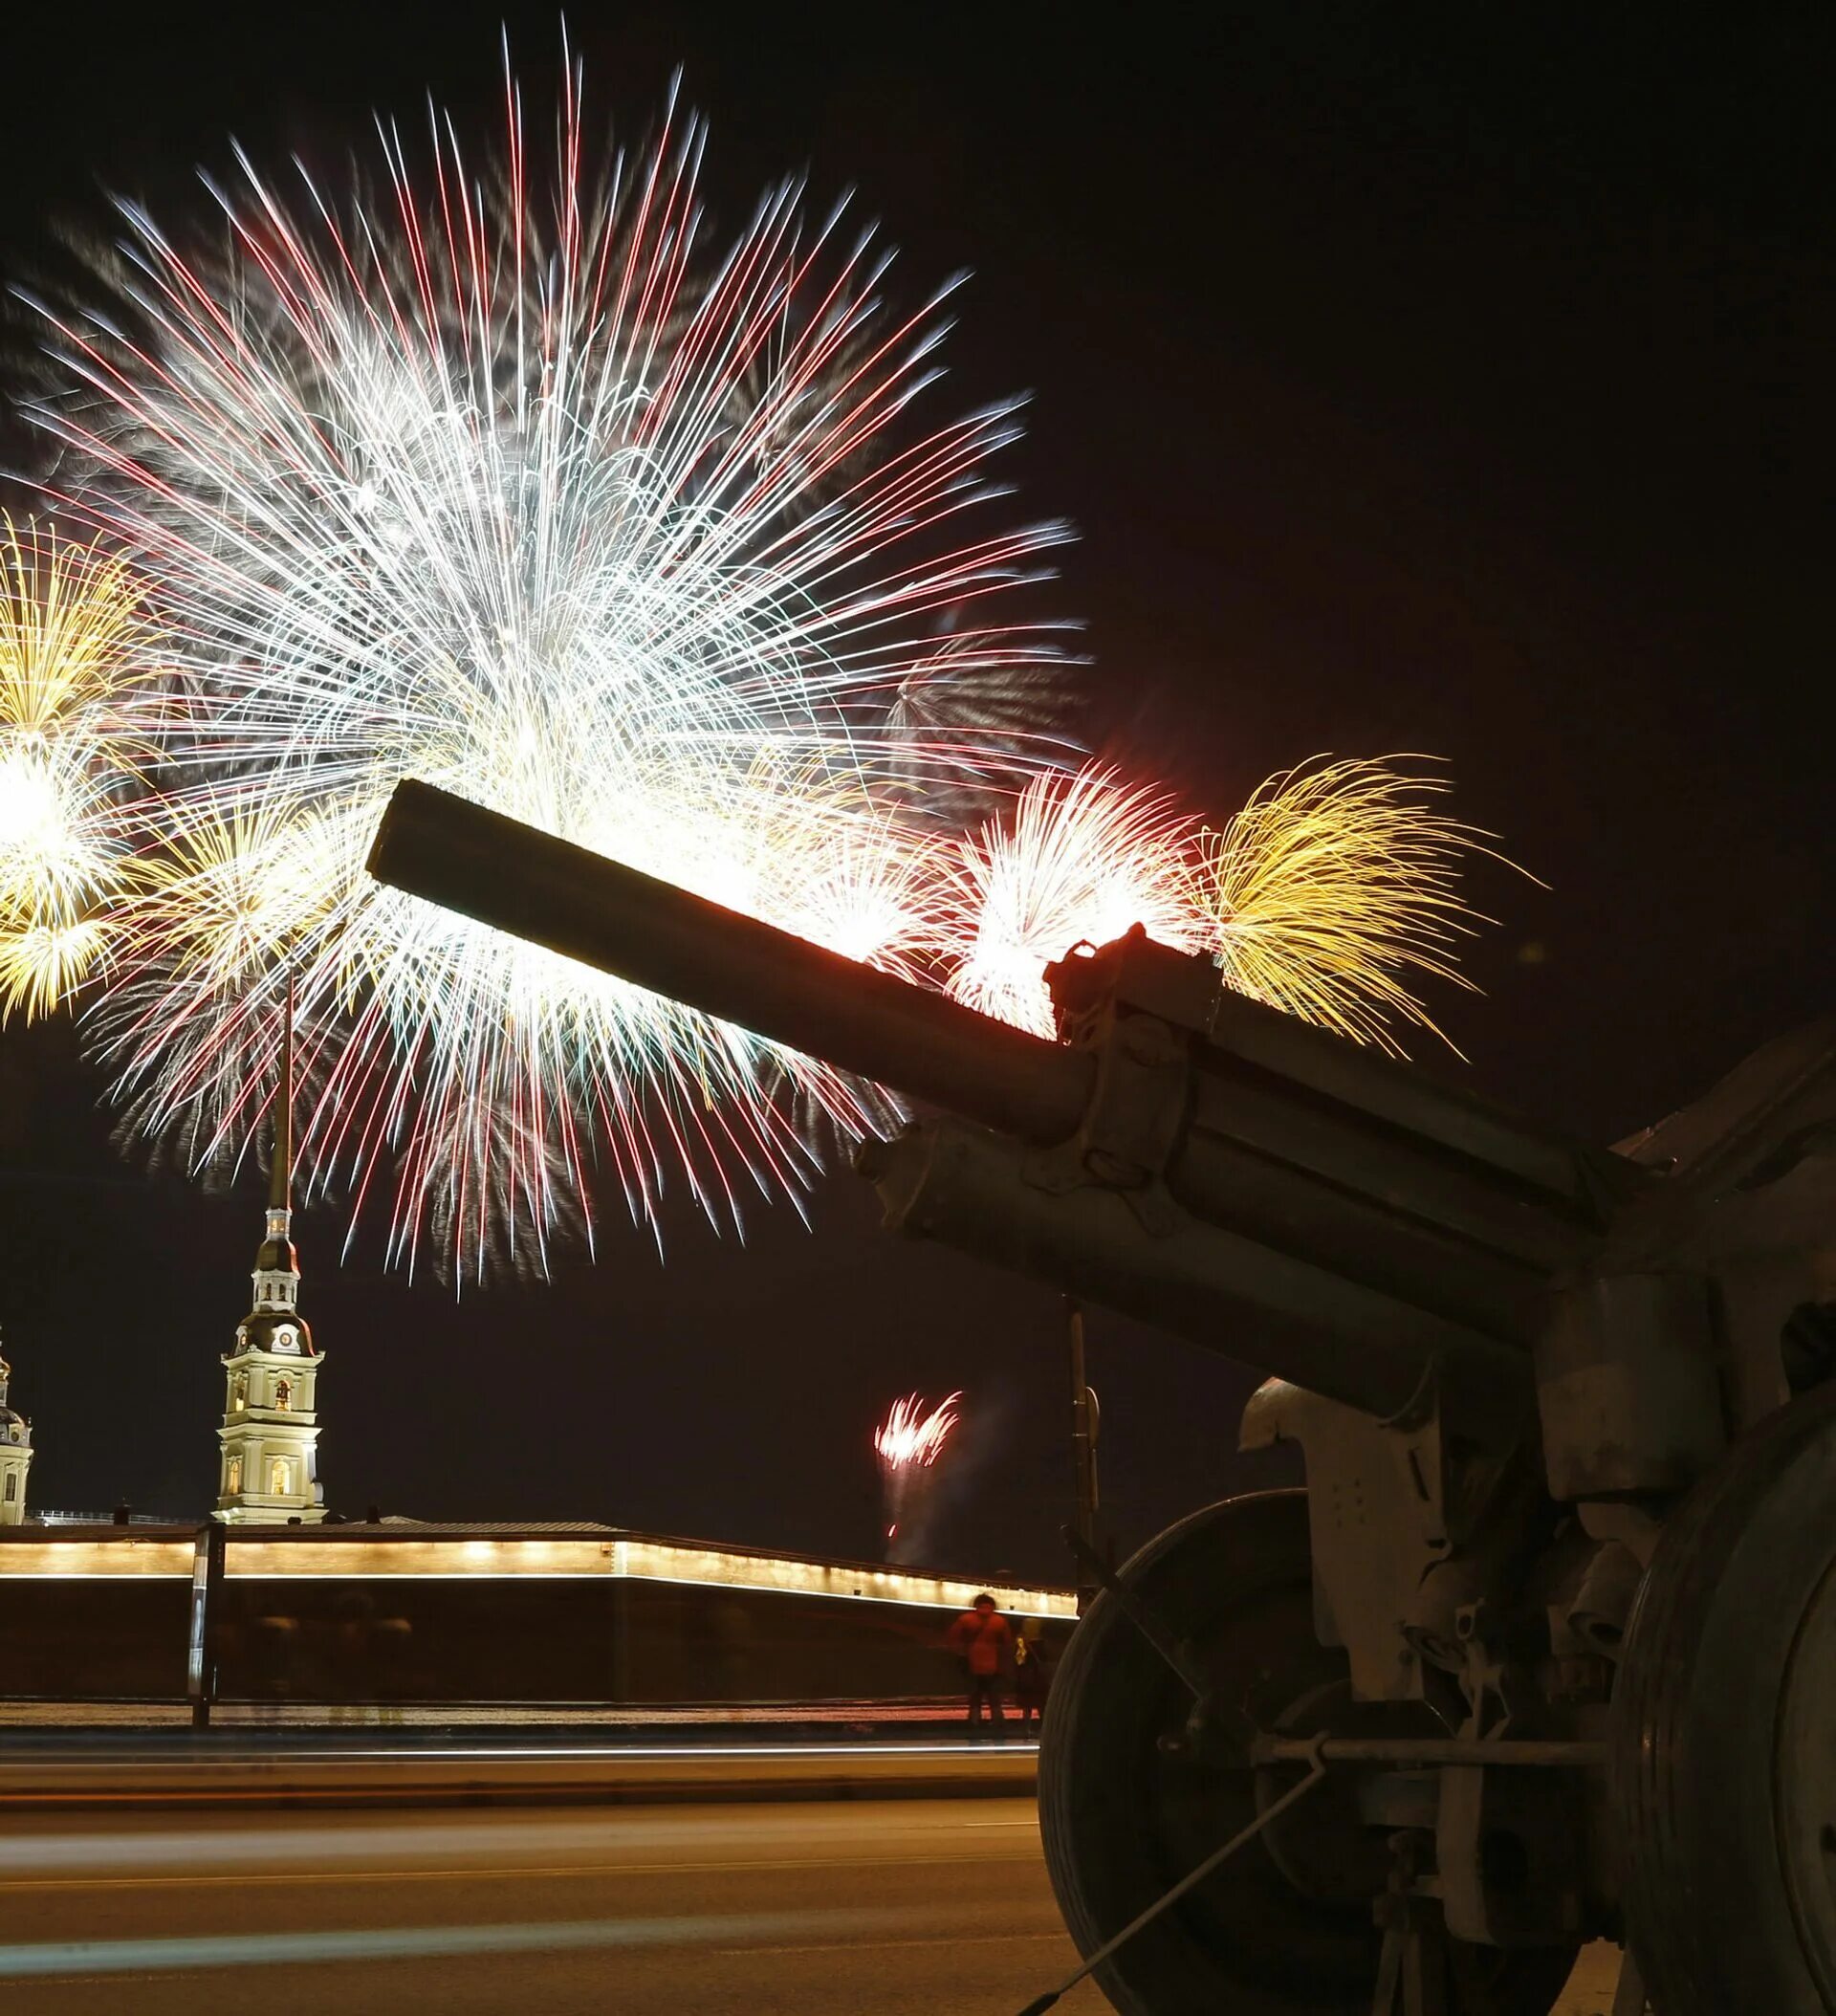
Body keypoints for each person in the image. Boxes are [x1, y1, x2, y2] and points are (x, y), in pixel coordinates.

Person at [947, 1592, 1014, 1735]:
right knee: (994, 1696)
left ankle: (974, 1721)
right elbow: (1007, 1644)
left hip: (972, 1663)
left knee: (975, 1696)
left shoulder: (965, 1620)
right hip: (993, 1665)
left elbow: (953, 1639)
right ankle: (997, 1721)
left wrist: (962, 1653)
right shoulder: (999, 1621)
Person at [1013, 1617, 1053, 1731]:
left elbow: (1020, 1659)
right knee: (1041, 1703)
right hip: (1039, 1676)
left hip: (1026, 1675)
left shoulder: (1022, 1641)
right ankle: (1045, 1727)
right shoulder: (1042, 1642)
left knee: (1027, 1704)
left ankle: (1026, 1726)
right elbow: (1046, 1658)